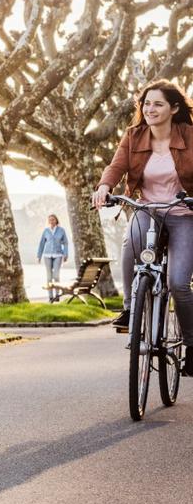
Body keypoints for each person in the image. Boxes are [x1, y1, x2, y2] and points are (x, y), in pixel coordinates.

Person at [92, 80, 193, 371]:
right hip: (147, 208)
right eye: (146, 104)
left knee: (178, 283)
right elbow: (116, 166)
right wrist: (104, 186)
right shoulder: (134, 136)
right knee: (130, 241)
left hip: (183, 213)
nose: (150, 109)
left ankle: (192, 343)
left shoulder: (189, 135)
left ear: (174, 108)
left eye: (158, 104)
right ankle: (129, 309)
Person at [37, 214, 70, 302]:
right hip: (47, 255)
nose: (51, 221)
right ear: (48, 221)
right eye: (50, 220)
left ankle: (57, 295)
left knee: (56, 275)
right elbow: (41, 244)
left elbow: (65, 243)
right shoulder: (46, 231)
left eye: (53, 219)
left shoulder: (61, 230)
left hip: (58, 255)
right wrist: (39, 256)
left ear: (56, 220)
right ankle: (50, 297)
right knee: (49, 277)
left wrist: (66, 254)